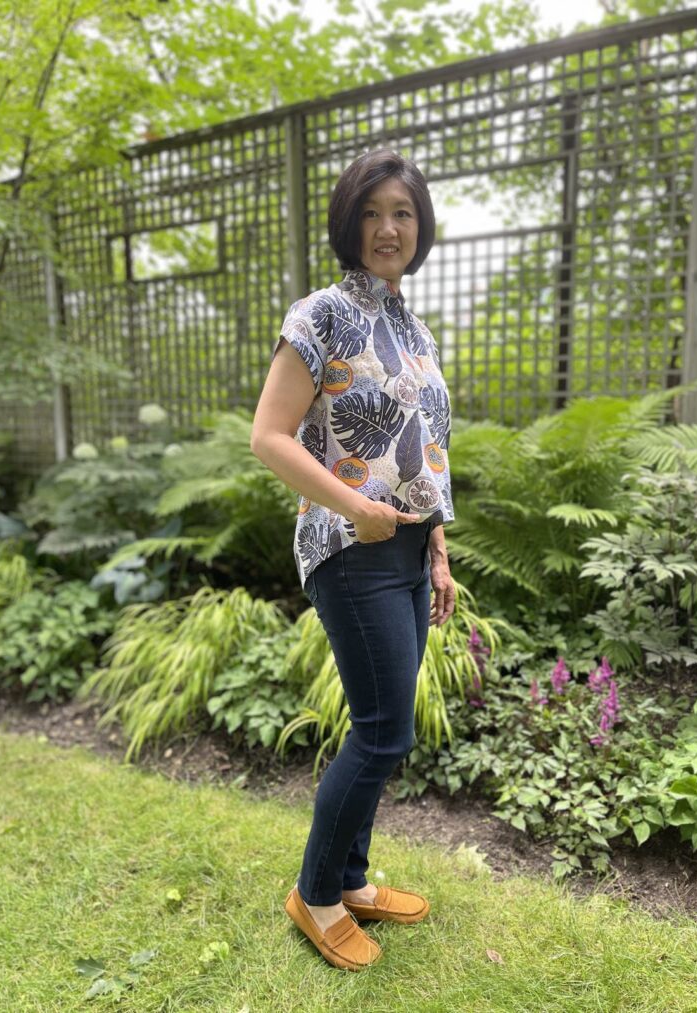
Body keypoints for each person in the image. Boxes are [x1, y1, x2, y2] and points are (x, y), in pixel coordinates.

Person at [250, 147, 456, 970]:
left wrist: (437, 544)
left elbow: (427, 445)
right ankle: (318, 893)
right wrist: (356, 507)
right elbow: (267, 436)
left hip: (407, 548)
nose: (387, 228)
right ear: (349, 220)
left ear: (419, 225)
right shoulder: (320, 314)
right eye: (372, 212)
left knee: (382, 726)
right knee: (382, 733)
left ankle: (355, 878)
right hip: (349, 544)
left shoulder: (414, 327)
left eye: (402, 212)